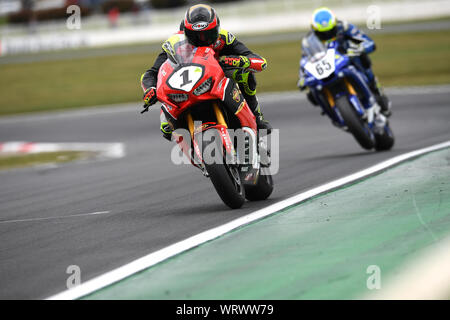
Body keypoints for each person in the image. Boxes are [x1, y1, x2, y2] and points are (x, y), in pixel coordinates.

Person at [140, 4, 272, 141]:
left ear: (216, 29)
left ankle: (257, 118)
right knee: (166, 127)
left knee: (245, 76)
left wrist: (238, 61)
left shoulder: (224, 38)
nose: (202, 39)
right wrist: (150, 88)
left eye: (208, 34)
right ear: (186, 33)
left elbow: (259, 61)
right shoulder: (174, 44)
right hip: (186, 86)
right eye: (195, 36)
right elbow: (151, 73)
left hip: (216, 79)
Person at [298, 7, 391, 117]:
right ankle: (330, 109)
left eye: (330, 31)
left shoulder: (344, 27)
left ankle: (375, 88)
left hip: (347, 59)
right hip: (326, 67)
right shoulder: (308, 41)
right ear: (314, 30)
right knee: (311, 92)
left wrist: (361, 48)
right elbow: (304, 61)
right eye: (323, 33)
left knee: (362, 59)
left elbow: (368, 42)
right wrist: (302, 77)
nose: (327, 35)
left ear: (335, 24)